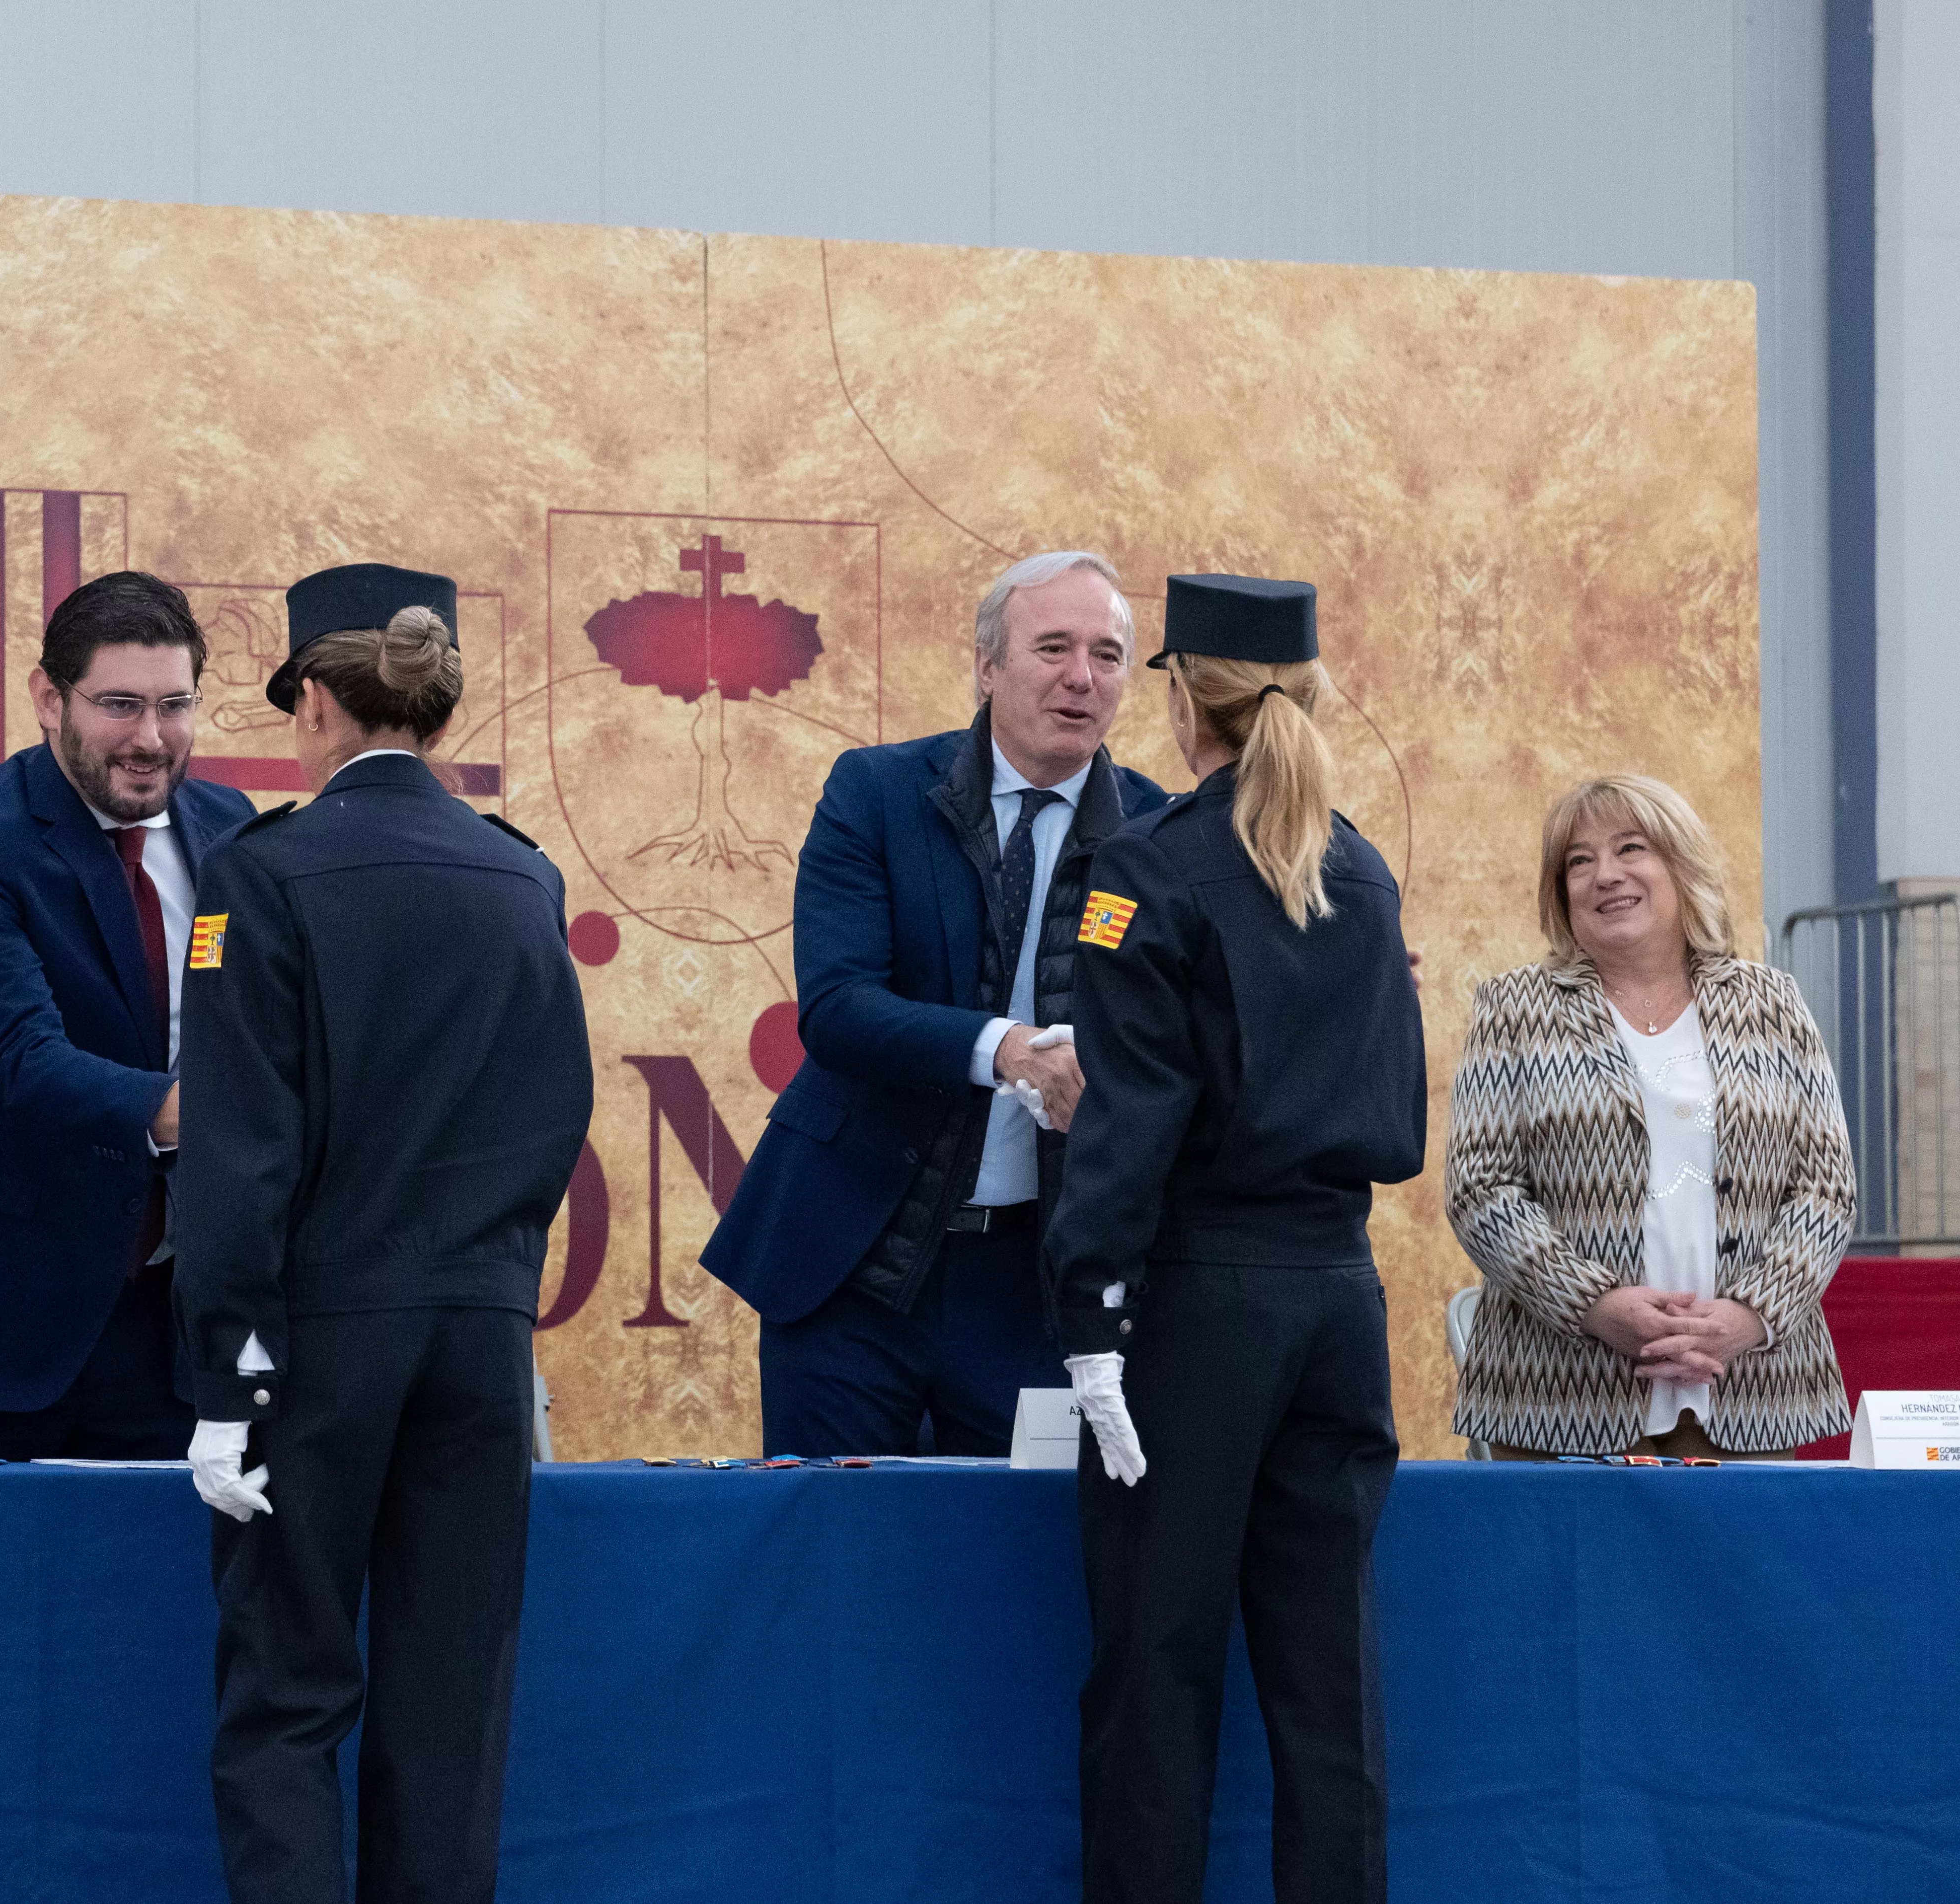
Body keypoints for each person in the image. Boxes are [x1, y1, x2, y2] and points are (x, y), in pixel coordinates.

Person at [175, 563, 593, 1904]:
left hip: (318, 1345)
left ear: (312, 700)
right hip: (480, 1339)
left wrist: (230, 1375)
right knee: (451, 1701)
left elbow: (239, 1152)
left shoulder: (262, 871)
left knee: (287, 1692)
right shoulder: (522, 876)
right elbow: (556, 1116)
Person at [1042, 574, 1425, 1904]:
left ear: (1178, 698)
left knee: (1155, 1668)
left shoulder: (1144, 867)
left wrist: (1091, 1309)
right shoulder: (1359, 868)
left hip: (1198, 1306)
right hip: (1338, 1298)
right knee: (1331, 1686)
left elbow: (1129, 1115)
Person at [703, 551, 1167, 1456]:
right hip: (853, 1262)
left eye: (1107, 655)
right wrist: (1007, 1048)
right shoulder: (875, 793)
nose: (1081, 677)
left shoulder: (1159, 837)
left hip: (1037, 1285)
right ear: (987, 665)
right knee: (836, 1530)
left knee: (1007, 1538)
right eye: (1053, 648)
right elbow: (838, 1007)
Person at [0, 571, 255, 1460]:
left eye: (174, 706)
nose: (150, 738)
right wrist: (238, 1115)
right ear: (46, 697)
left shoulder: (230, 830)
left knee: (159, 1557)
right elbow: (18, 1058)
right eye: (120, 705)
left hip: (174, 1326)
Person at [1447, 774, 1853, 1459]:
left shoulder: (1773, 1003)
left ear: (1682, 863)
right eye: (1578, 861)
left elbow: (1826, 1189)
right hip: (1559, 1392)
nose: (1605, 874)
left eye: (1630, 848)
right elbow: (1481, 1189)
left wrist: (1749, 1316)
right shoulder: (1512, 1008)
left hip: (1749, 1388)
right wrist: (1596, 1306)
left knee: (1734, 1541)